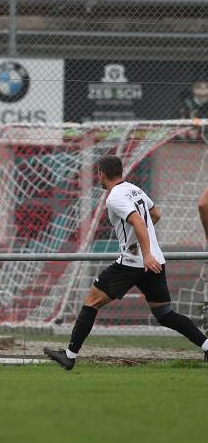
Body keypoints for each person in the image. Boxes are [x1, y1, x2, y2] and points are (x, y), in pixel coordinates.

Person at [44, 155, 208, 370]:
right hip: (156, 261)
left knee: (91, 301)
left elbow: (138, 220)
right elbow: (155, 214)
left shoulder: (114, 196)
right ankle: (206, 345)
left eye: (98, 175)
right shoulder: (135, 189)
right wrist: (144, 248)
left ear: (101, 173)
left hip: (134, 263)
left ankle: (69, 355)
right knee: (165, 314)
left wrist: (144, 253)